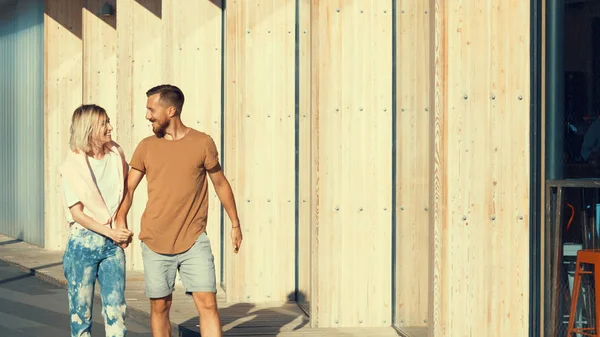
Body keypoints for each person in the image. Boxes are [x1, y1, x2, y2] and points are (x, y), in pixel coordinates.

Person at [115, 84, 243, 337]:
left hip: (194, 239)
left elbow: (220, 183)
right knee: (160, 306)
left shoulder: (202, 142)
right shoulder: (146, 146)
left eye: (152, 110)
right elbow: (129, 189)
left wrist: (235, 224)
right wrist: (120, 219)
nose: (147, 115)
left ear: (171, 110)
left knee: (208, 304)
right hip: (154, 240)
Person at [59, 104, 134, 337]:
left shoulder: (116, 154)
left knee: (117, 312)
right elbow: (77, 213)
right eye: (105, 123)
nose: (111, 127)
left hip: (112, 246)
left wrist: (121, 223)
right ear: (90, 128)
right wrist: (111, 232)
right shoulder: (71, 165)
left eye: (109, 121)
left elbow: (126, 190)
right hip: (83, 244)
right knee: (80, 317)